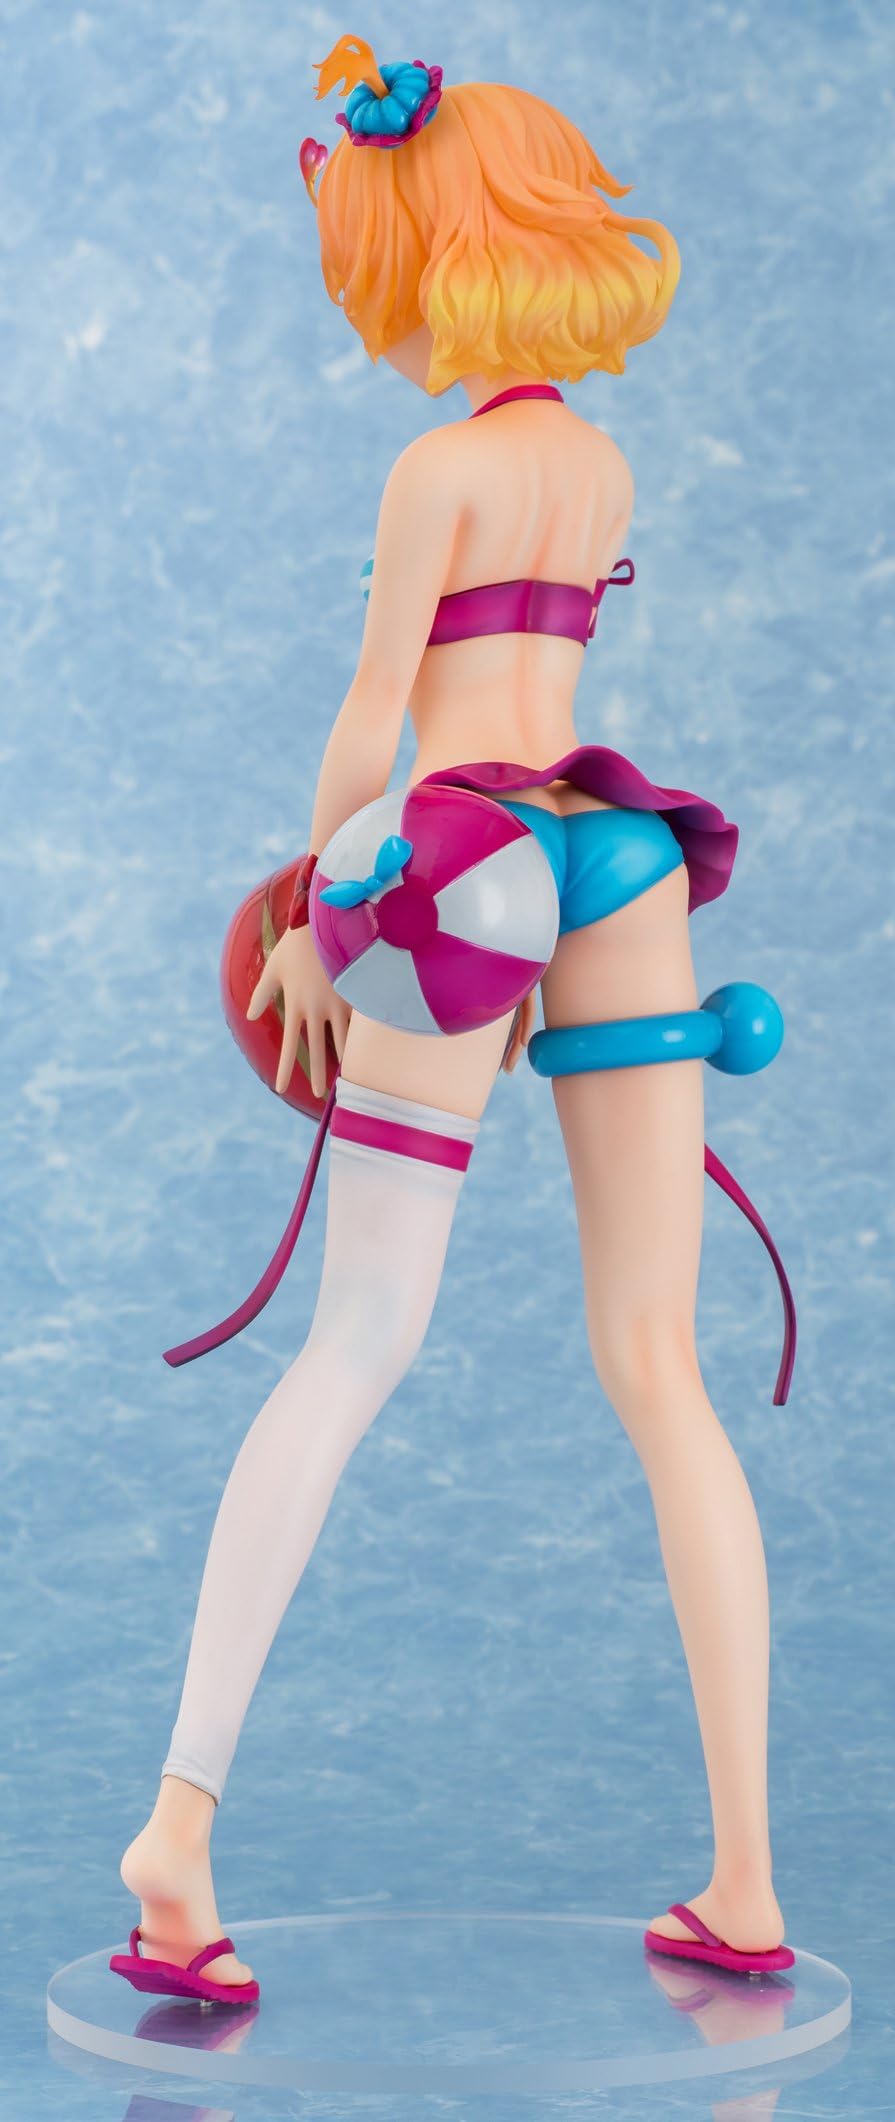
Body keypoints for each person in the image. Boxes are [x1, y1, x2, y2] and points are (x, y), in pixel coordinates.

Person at [116, 33, 795, 1998]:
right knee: (660, 1359)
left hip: (460, 870)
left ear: (427, 242)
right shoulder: (594, 462)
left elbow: (377, 722)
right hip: (616, 857)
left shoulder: (438, 468)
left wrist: (317, 912)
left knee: (354, 1339)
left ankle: (176, 1835)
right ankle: (749, 1878)